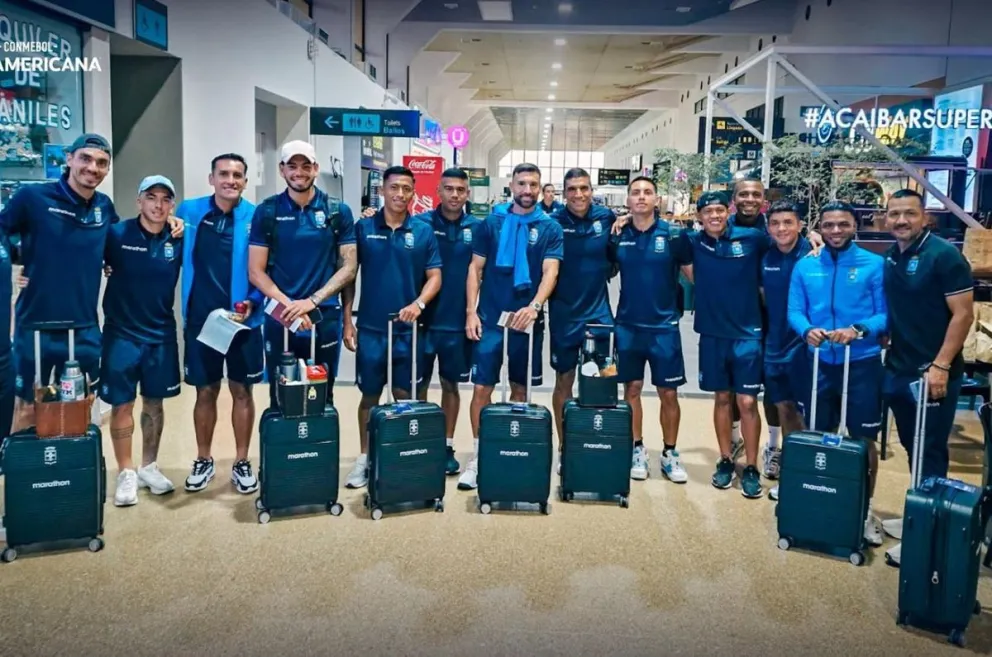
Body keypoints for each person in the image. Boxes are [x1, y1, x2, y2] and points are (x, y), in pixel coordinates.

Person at [879, 189, 973, 565]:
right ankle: (920, 510)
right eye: (894, 214)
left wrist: (941, 365)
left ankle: (928, 532)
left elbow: (963, 315)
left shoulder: (944, 256)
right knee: (912, 446)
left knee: (930, 449)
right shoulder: (891, 257)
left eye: (909, 214)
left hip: (933, 373)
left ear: (925, 217)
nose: (901, 220)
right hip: (900, 367)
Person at [458, 163, 564, 491]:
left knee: (520, 390)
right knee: (481, 390)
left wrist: (534, 307)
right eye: (522, 184)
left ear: (541, 186)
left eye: (533, 184)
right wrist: (470, 313)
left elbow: (551, 272)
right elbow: (475, 269)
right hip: (490, 319)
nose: (527, 190)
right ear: (511, 185)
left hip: (526, 321)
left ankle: (514, 451)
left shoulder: (549, 227)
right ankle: (480, 455)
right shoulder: (492, 222)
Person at [787, 201, 887, 545]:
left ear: (854, 225)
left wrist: (858, 329)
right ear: (820, 227)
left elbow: (884, 315)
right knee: (817, 432)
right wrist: (806, 331)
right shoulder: (806, 265)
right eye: (828, 225)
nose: (835, 231)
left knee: (863, 439)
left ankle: (864, 509)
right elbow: (795, 311)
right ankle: (821, 499)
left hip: (861, 363)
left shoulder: (874, 265)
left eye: (842, 224)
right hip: (819, 362)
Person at [341, 165, 442, 490]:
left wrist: (418, 304)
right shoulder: (363, 227)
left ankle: (399, 456)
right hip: (371, 329)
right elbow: (349, 275)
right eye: (394, 188)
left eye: (406, 189)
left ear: (414, 193)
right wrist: (348, 320)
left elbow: (435, 277)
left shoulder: (423, 231)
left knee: (404, 396)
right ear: (382, 191)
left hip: (409, 332)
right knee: (369, 397)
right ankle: (365, 459)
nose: (400, 194)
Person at [176, 153, 265, 495]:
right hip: (202, 321)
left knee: (242, 391)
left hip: (243, 321)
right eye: (223, 174)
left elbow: (265, 269)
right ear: (211, 178)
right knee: (206, 390)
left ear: (245, 180)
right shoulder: (189, 212)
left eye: (237, 175)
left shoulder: (256, 217)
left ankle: (242, 461)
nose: (231, 180)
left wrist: (253, 304)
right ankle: (203, 458)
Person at [248, 141, 358, 409]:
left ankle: (318, 448)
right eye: (292, 166)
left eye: (306, 166)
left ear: (316, 169)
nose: (299, 172)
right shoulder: (268, 211)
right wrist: (290, 305)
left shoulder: (337, 211)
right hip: (280, 316)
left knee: (322, 393)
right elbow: (255, 271)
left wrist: (313, 302)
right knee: (280, 392)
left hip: (324, 316)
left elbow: (349, 267)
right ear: (282, 170)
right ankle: (283, 448)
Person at [100, 176, 183, 506]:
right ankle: (126, 471)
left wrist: (180, 224)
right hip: (122, 334)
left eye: (165, 199)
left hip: (161, 334)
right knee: (122, 404)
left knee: (154, 404)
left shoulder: (178, 237)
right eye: (151, 197)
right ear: (139, 201)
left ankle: (149, 465)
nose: (158, 205)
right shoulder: (117, 235)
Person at [609, 176, 692, 482]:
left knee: (668, 393)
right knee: (631, 389)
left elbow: (694, 275)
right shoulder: (618, 235)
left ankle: (670, 453)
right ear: (628, 201)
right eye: (635, 193)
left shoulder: (673, 236)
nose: (641, 197)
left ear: (657, 199)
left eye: (647, 192)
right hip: (628, 327)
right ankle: (637, 449)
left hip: (664, 329)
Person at [686, 191, 767, 499]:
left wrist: (811, 237)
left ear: (728, 210)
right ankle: (725, 459)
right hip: (712, 334)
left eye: (720, 210)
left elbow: (786, 245)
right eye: (708, 212)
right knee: (722, 398)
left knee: (746, 402)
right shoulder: (692, 241)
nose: (715, 216)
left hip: (747, 333)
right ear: (700, 217)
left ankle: (751, 466)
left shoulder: (753, 238)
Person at [412, 168, 480, 476]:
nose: (455, 195)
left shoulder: (477, 228)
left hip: (458, 323)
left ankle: (447, 445)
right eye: (449, 189)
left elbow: (481, 273)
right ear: (438, 191)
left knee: (451, 385)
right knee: (419, 384)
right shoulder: (420, 224)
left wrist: (472, 311)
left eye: (461, 190)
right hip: (423, 321)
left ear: (468, 193)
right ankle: (424, 444)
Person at [548, 168, 616, 465]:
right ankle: (565, 448)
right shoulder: (553, 223)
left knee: (601, 383)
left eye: (584, 188)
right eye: (572, 189)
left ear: (592, 190)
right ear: (564, 193)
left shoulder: (607, 218)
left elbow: (614, 260)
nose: (578, 194)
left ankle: (594, 443)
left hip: (599, 317)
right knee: (564, 381)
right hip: (563, 316)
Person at [759, 200, 811, 502]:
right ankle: (790, 470)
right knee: (785, 409)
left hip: (809, 347)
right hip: (775, 345)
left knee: (814, 413)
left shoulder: (814, 254)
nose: (781, 229)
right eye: (776, 223)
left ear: (800, 225)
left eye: (788, 222)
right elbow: (764, 297)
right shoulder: (765, 257)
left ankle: (811, 473)